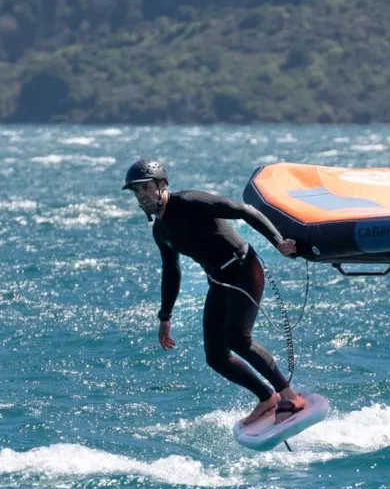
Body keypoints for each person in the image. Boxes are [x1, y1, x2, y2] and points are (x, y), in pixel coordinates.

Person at [123, 159, 307, 426]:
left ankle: (289, 395)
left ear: (162, 185)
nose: (141, 196)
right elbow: (171, 271)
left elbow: (244, 211)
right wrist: (165, 317)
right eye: (136, 191)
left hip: (244, 269)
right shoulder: (160, 230)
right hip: (219, 280)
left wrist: (278, 242)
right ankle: (267, 398)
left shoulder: (190, 201)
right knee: (216, 357)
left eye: (145, 188)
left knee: (237, 338)